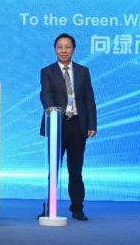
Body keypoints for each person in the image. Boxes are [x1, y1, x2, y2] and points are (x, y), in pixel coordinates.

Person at [39, 33, 97, 220]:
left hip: (78, 126)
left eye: (67, 47)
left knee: (76, 171)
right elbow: (46, 95)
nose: (63, 50)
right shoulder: (47, 71)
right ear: (55, 49)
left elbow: (89, 99)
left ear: (73, 49)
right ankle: (49, 208)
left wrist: (92, 124)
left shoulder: (83, 71)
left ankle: (77, 208)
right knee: (53, 170)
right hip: (57, 125)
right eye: (60, 47)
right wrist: (52, 114)